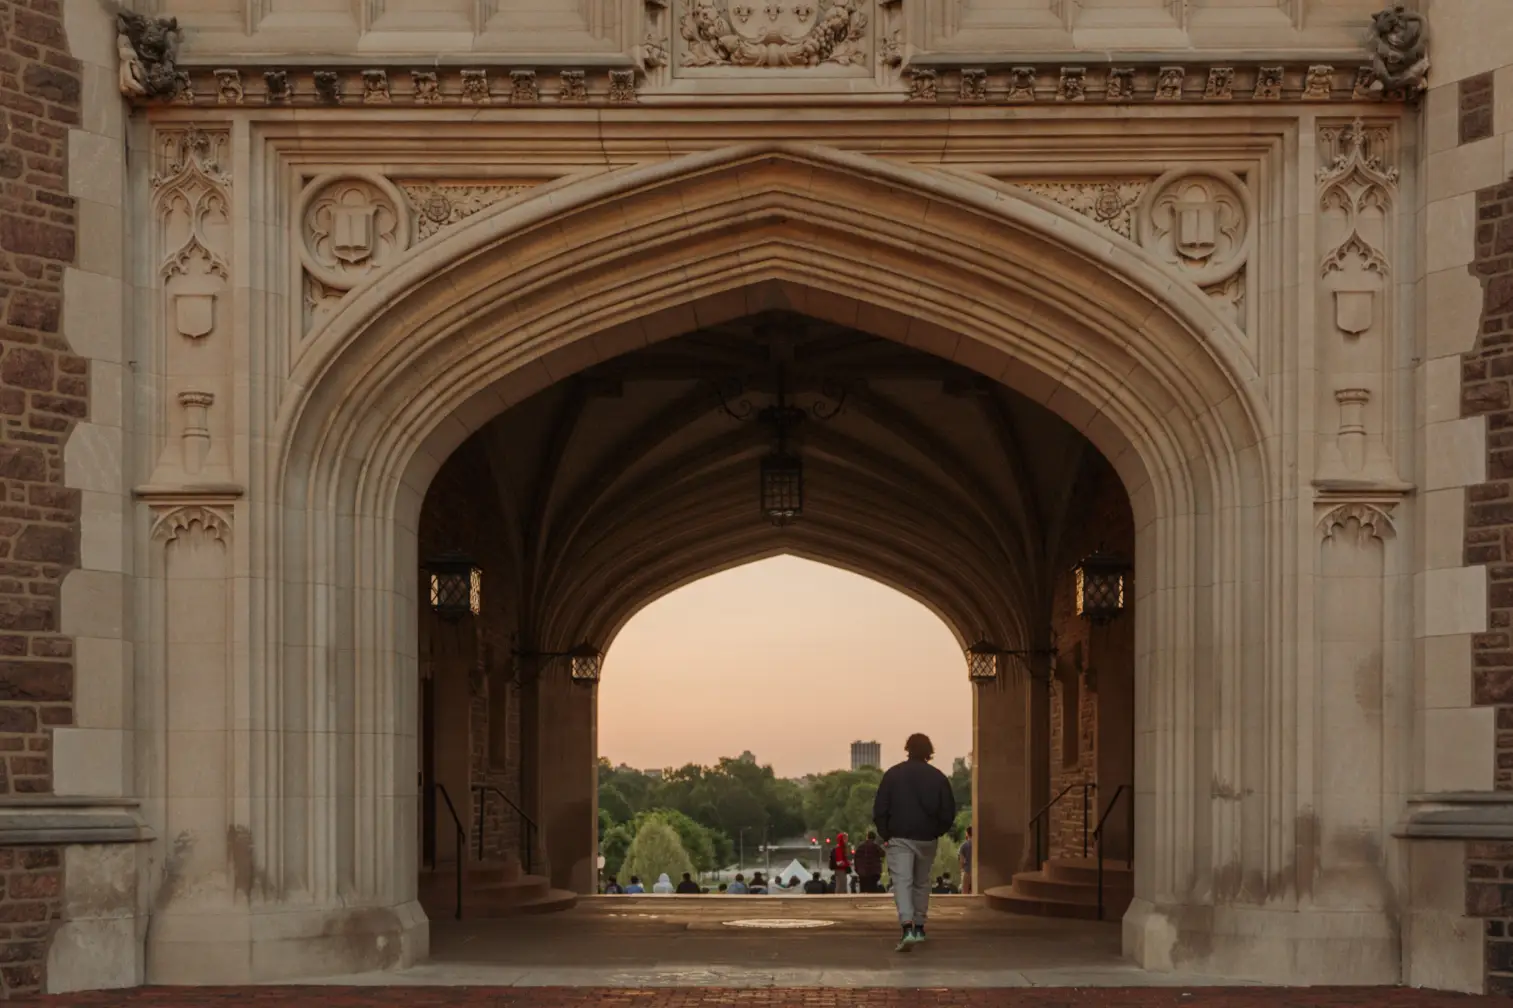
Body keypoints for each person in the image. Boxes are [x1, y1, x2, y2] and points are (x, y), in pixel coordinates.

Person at [873, 732, 956, 952]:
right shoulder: (938, 777)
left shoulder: (893, 775)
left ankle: (907, 926)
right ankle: (919, 926)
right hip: (927, 837)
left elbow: (880, 807)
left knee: (903, 882)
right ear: (929, 751)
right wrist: (937, 831)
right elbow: (948, 811)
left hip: (899, 836)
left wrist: (886, 833)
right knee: (922, 882)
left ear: (907, 748)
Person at [828, 831, 851, 897]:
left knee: (841, 886)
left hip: (840, 870)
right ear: (842, 839)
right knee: (841, 886)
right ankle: (839, 900)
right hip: (840, 870)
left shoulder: (841, 848)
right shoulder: (839, 848)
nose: (847, 840)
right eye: (845, 838)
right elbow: (839, 862)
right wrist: (847, 863)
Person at [959, 826, 973, 895]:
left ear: (967, 833)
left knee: (965, 893)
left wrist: (961, 870)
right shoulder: (978, 844)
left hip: (967, 871)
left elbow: (961, 861)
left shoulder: (964, 845)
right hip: (978, 872)